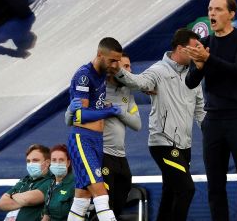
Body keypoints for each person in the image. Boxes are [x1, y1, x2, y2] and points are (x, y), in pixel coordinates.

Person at [183, 0, 237, 221]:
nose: (212, 14)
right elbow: (190, 82)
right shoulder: (205, 44)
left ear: (231, 14)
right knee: (215, 185)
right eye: (210, 9)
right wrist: (199, 65)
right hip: (213, 121)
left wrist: (207, 60)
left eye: (218, 9)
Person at [111, 28, 205, 221]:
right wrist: (118, 70)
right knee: (186, 189)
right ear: (181, 48)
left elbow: (200, 112)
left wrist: (215, 136)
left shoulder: (194, 76)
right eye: (194, 47)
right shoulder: (158, 70)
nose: (198, 51)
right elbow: (138, 82)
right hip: (163, 143)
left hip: (184, 146)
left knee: (170, 193)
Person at [66, 53, 142, 218]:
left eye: (130, 66)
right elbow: (72, 119)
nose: (129, 70)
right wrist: (71, 110)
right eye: (125, 66)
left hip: (120, 155)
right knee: (102, 200)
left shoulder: (127, 92)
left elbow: (137, 124)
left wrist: (117, 110)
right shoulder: (97, 86)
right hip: (100, 152)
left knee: (85, 199)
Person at [66, 37, 123, 221]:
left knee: (81, 199)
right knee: (101, 194)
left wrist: (103, 108)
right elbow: (80, 116)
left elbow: (94, 106)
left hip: (96, 141)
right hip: (83, 140)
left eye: (117, 60)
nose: (115, 65)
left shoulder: (102, 74)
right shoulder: (84, 76)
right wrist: (109, 112)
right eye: (112, 60)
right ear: (100, 54)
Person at [0, 144, 52, 221]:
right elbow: (1, 204)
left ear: (47, 163)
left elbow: (28, 200)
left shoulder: (52, 180)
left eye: (35, 160)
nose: (31, 164)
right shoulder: (25, 180)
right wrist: (24, 201)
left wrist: (13, 196)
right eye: (28, 161)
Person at [41, 144, 75, 221]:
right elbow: (46, 216)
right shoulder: (51, 184)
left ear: (68, 163)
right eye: (54, 160)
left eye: (61, 160)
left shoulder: (75, 185)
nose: (57, 163)